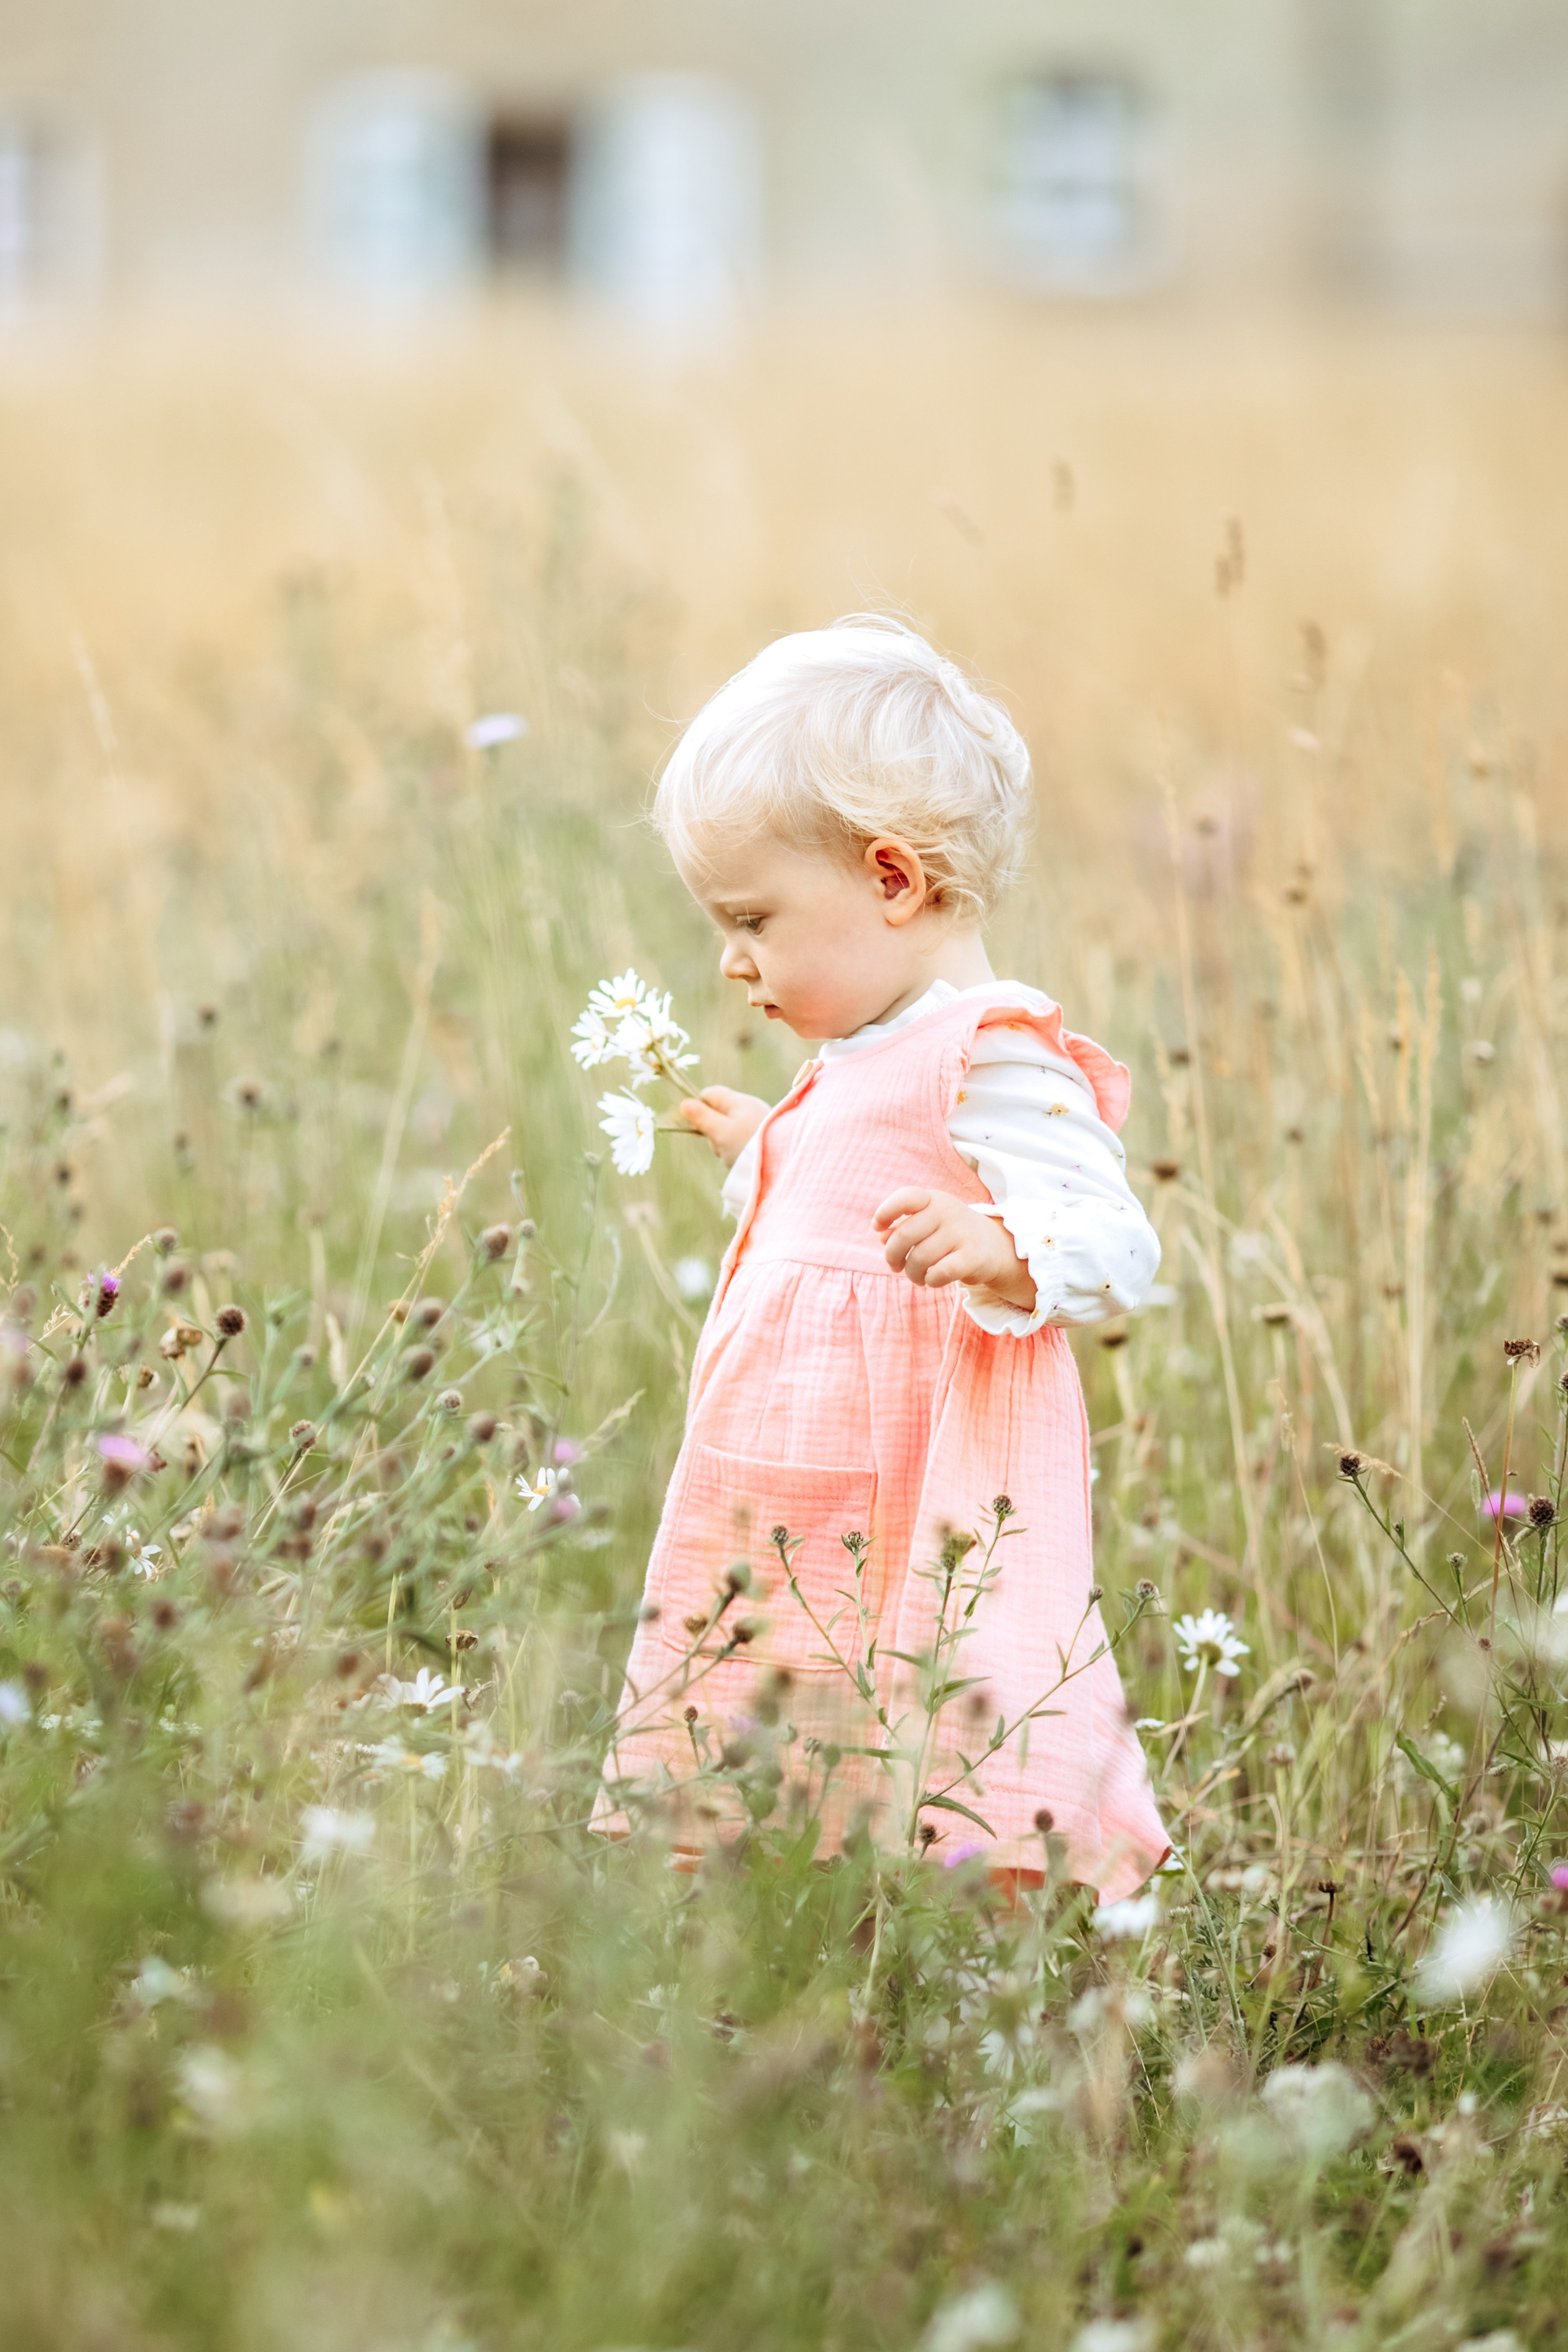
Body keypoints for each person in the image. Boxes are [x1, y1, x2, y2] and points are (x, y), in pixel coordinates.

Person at [593, 616, 1169, 1901]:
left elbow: (1115, 1241)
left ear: (894, 880)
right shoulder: (848, 1053)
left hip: (916, 1487)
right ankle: (801, 1962)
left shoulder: (992, 1050)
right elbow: (845, 1214)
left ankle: (971, 1987)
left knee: (935, 1727)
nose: (730, 960)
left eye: (751, 917)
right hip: (791, 1501)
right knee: (784, 1727)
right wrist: (768, 1149)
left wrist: (1004, 1244)